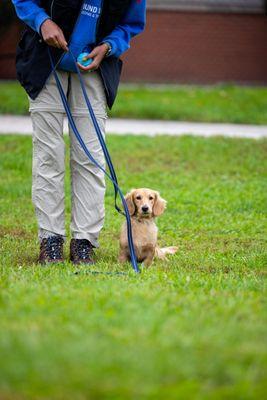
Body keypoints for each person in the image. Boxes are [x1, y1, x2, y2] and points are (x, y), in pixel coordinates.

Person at [11, 0, 146, 266]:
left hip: (94, 69)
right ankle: (50, 239)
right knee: (48, 155)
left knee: (90, 157)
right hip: (45, 63)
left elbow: (130, 24)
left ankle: (84, 242)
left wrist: (108, 46)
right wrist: (42, 21)